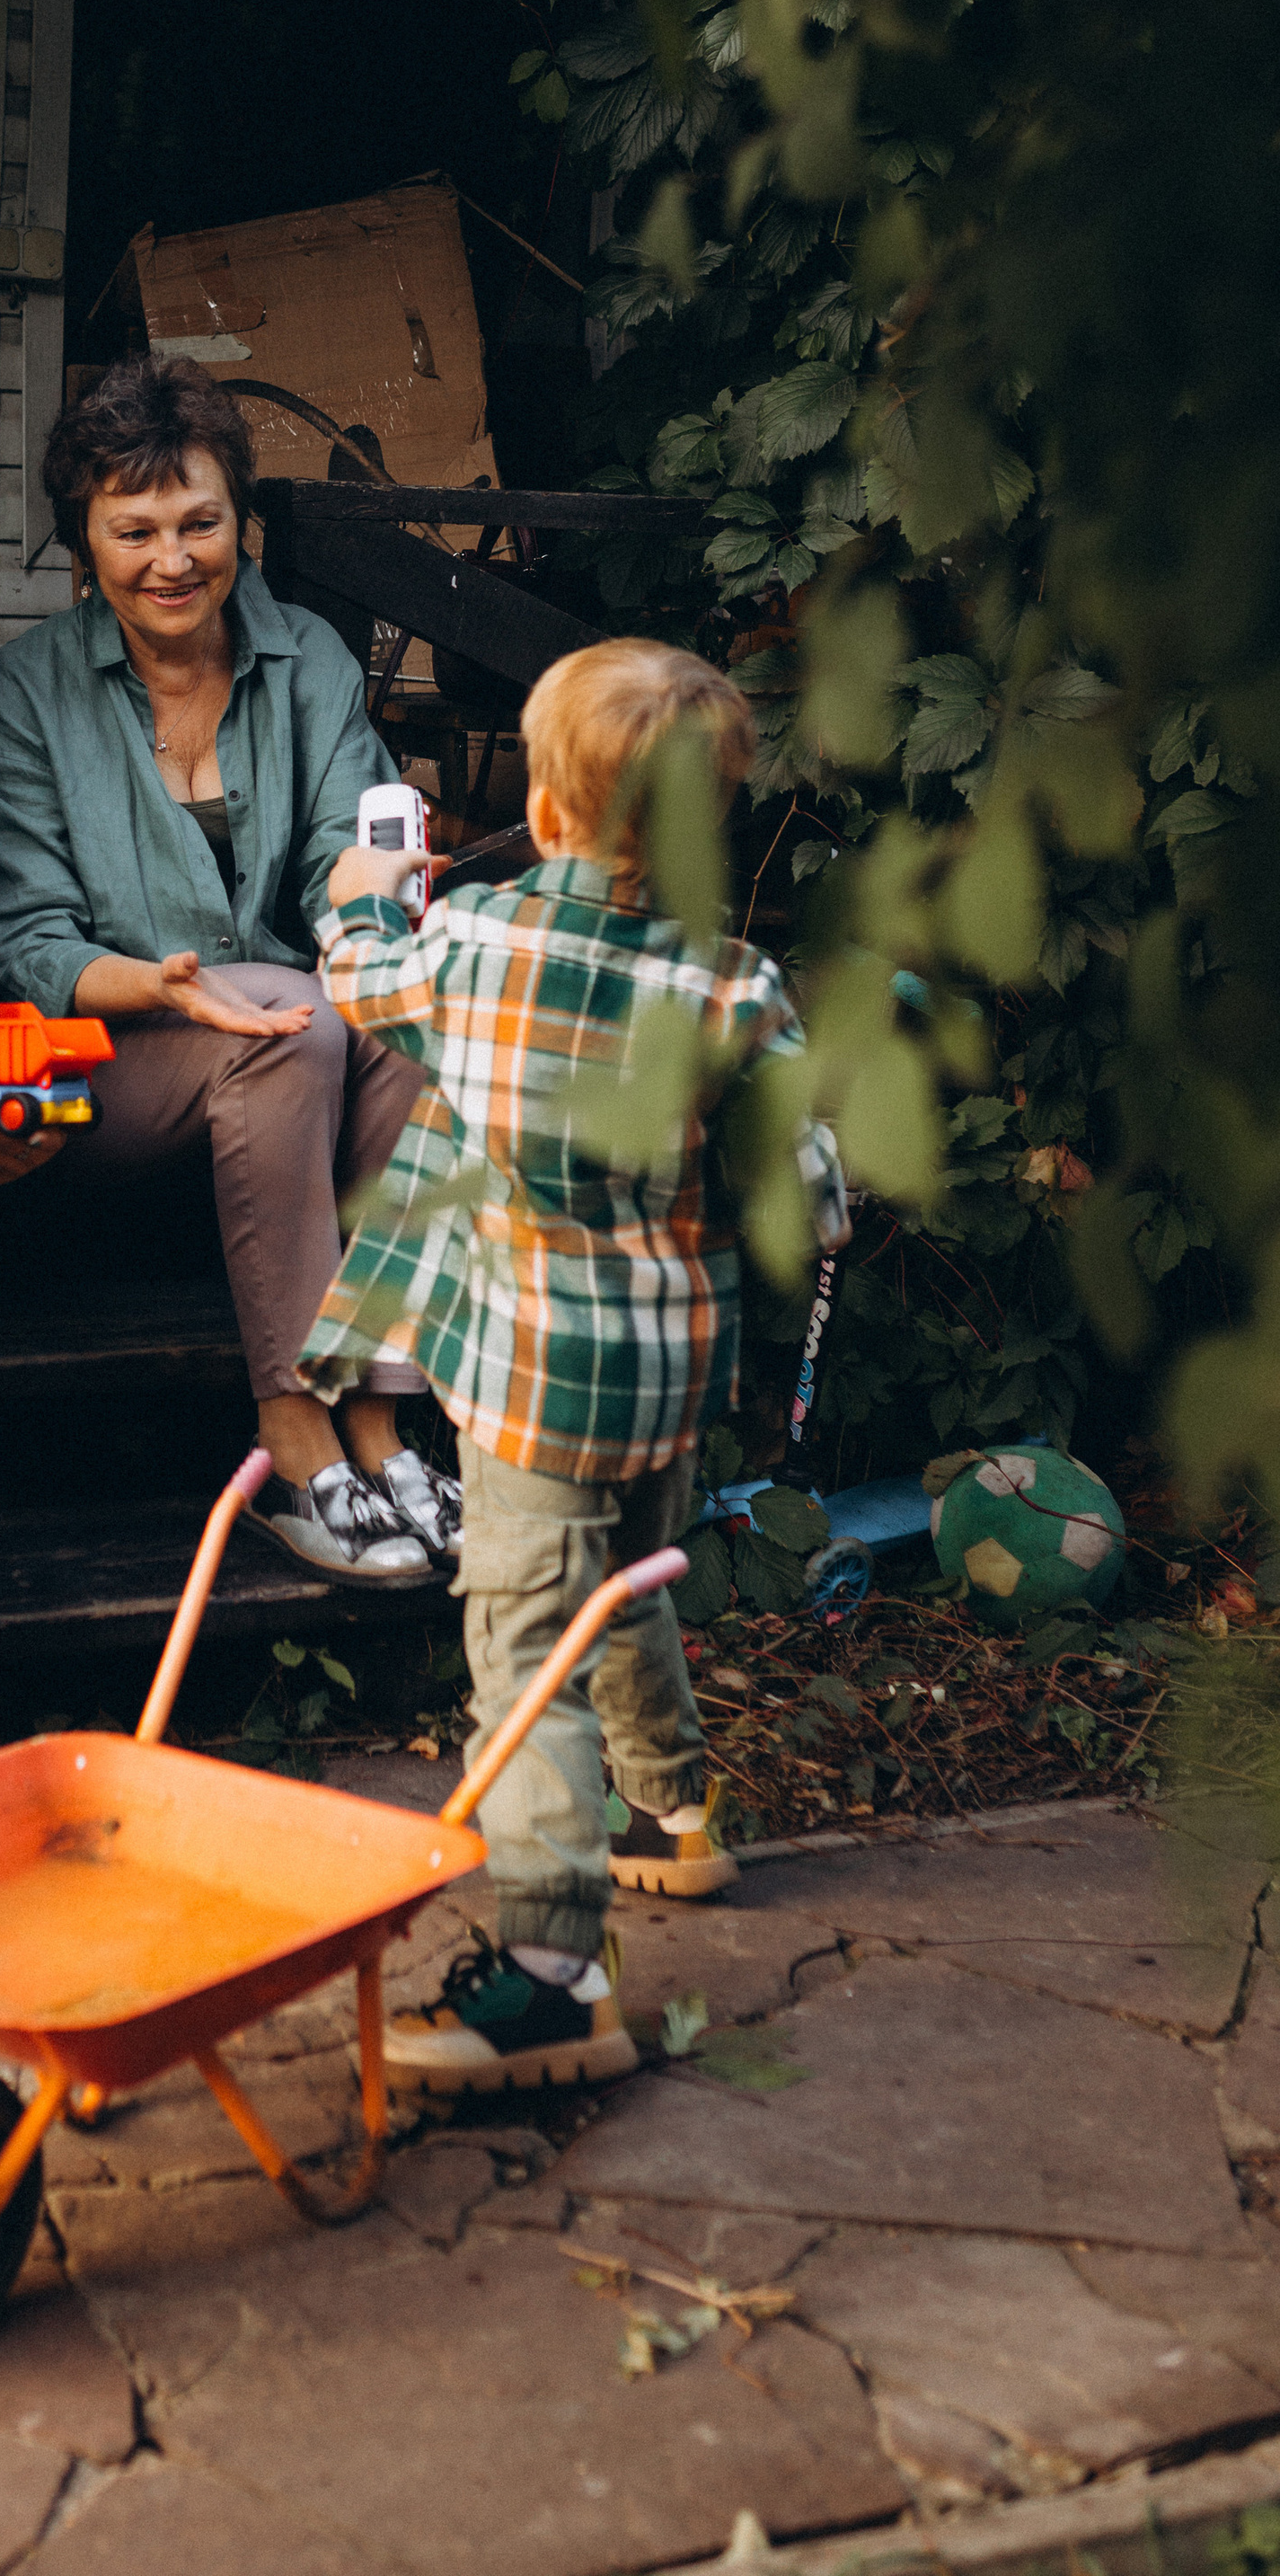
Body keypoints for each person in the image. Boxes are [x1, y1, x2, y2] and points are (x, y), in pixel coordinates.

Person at [298, 638, 848, 2092]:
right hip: (669, 1376)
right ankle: (670, 1815)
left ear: (542, 814)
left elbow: (360, 984)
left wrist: (355, 899)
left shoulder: (472, 944)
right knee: (621, 1596)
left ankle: (549, 1974)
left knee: (525, 1662)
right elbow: (817, 1199)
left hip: (531, 1378)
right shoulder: (738, 990)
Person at [0, 355, 457, 1581]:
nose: (172, 560)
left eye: (199, 523)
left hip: (291, 1055)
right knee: (292, 1019)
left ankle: (381, 1424)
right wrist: (164, 986)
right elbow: (25, 941)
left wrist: (375, 900)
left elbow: (345, 857)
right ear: (85, 542)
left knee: (389, 1018)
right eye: (134, 531)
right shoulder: (26, 695)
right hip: (103, 1067)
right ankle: (291, 1439)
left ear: (243, 524)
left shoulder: (313, 665)